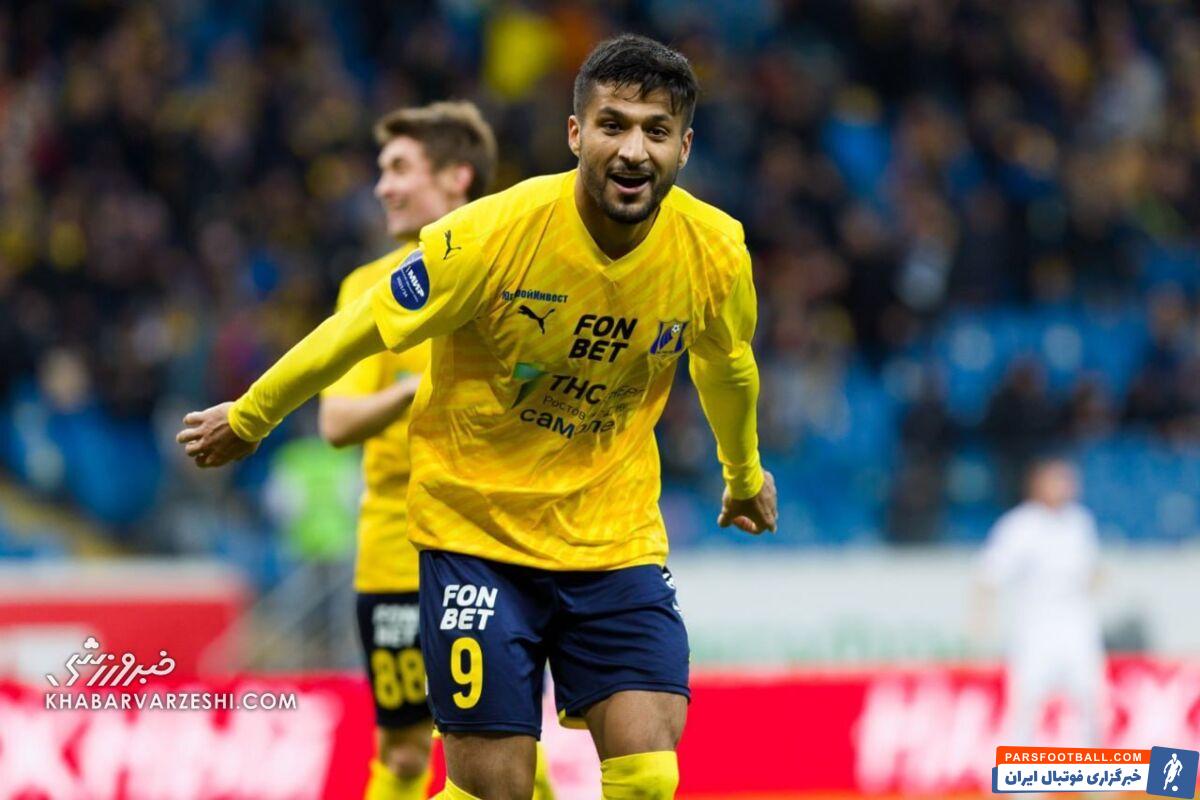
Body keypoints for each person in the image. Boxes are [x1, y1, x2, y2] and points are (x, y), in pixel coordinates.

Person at [177, 34, 777, 800]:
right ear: (575, 134)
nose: (634, 151)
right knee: (497, 789)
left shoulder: (715, 252)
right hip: (476, 540)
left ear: (684, 147)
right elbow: (360, 326)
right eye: (613, 125)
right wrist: (252, 416)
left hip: (614, 539)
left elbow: (726, 366)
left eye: (656, 131)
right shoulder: (491, 237)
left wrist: (742, 473)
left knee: (649, 774)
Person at [316, 102, 553, 800]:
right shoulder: (369, 288)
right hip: (396, 547)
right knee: (403, 752)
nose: (382, 186)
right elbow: (336, 421)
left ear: (457, 177)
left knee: (505, 746)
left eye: (399, 169)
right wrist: (418, 391)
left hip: (495, 545)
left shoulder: (517, 280)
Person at [977, 457, 1105, 747]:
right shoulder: (1019, 526)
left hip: (1077, 624)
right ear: (1037, 484)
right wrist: (982, 625)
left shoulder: (1080, 522)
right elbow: (988, 577)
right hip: (1036, 627)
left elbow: (1090, 571)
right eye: (1057, 480)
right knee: (1026, 704)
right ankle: (1021, 774)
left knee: (1090, 700)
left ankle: (1090, 769)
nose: (1065, 487)